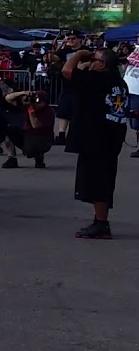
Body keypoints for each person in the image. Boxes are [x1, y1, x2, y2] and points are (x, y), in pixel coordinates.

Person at [62, 48, 127, 239]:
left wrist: (79, 54)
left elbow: (67, 71)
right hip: (111, 135)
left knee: (97, 180)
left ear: (102, 65)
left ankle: (101, 224)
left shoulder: (97, 80)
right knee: (102, 179)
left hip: (96, 136)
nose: (91, 61)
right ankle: (99, 220)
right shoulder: (119, 82)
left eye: (95, 59)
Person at [49, 31, 83, 145]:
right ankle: (61, 135)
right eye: (69, 39)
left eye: (73, 38)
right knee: (63, 110)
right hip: (67, 84)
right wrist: (51, 50)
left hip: (81, 85)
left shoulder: (85, 50)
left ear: (79, 39)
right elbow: (54, 58)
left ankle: (75, 136)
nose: (70, 41)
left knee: (78, 111)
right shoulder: (65, 51)